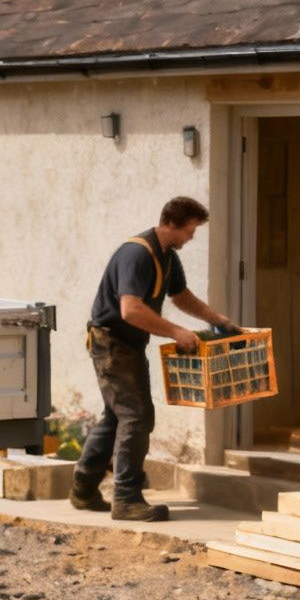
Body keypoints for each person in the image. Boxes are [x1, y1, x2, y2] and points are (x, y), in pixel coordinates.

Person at [71, 197, 237, 522]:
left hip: (128, 345)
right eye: (191, 229)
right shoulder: (137, 254)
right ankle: (127, 499)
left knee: (116, 417)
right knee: (137, 416)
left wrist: (218, 320)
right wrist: (176, 332)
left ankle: (84, 489)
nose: (192, 236)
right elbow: (130, 309)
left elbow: (182, 296)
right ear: (173, 224)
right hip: (112, 343)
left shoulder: (168, 258)